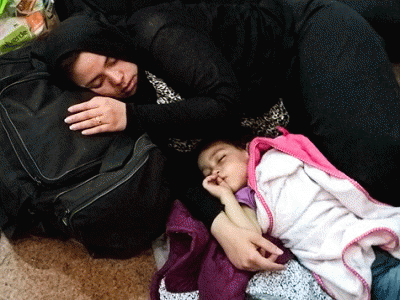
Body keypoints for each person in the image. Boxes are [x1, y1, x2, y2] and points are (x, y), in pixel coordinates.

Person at [35, 0, 400, 272]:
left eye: (111, 62)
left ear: (115, 43)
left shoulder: (157, 32)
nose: (115, 80)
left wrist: (132, 116)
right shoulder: (123, 98)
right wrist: (221, 225)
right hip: (286, 111)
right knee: (342, 188)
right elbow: (172, 165)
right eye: (97, 82)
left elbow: (226, 102)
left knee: (380, 171)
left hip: (304, 37)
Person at [197, 129, 400, 300]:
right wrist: (226, 196)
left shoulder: (278, 158)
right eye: (208, 173)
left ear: (245, 150)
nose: (215, 172)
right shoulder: (245, 199)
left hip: (362, 229)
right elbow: (250, 235)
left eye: (221, 159)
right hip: (350, 261)